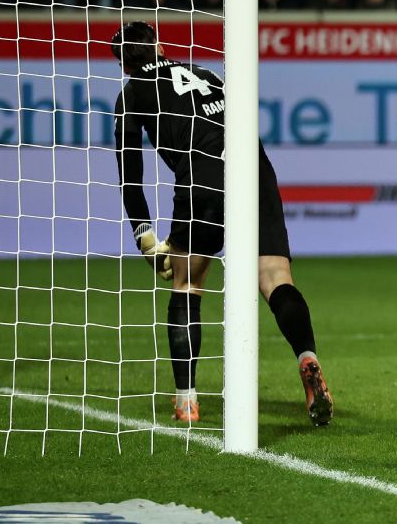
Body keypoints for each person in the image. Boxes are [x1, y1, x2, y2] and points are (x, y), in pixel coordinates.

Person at [112, 22, 332, 426]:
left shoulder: (131, 93)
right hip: (255, 169)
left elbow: (130, 174)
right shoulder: (205, 73)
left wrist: (144, 235)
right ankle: (307, 357)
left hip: (203, 177)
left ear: (123, 64)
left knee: (187, 284)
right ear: (160, 46)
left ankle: (187, 402)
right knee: (275, 277)